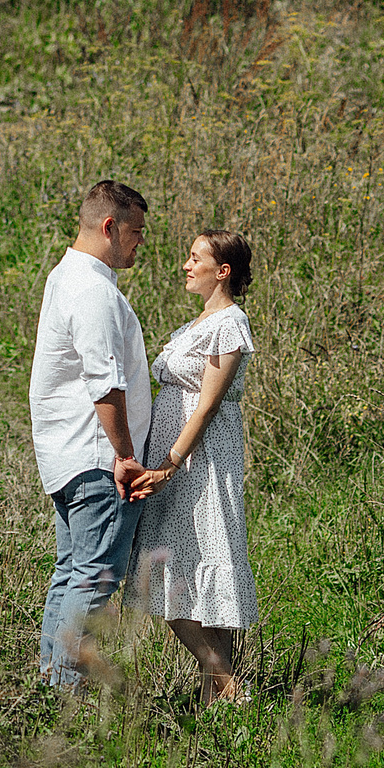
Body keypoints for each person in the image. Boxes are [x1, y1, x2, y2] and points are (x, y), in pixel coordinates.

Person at [126, 229, 259, 705]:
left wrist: (167, 465)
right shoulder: (195, 324)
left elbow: (205, 406)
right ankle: (217, 700)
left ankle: (228, 688)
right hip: (174, 455)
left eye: (195, 258)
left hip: (197, 461)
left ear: (222, 271)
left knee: (177, 570)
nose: (185, 265)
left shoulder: (230, 322)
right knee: (186, 566)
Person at [28, 180, 153, 688]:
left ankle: (48, 685)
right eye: (136, 232)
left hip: (68, 453)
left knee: (71, 572)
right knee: (94, 576)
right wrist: (125, 455)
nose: (140, 242)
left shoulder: (67, 277)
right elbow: (105, 385)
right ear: (109, 227)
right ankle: (64, 693)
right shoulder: (92, 289)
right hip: (96, 457)